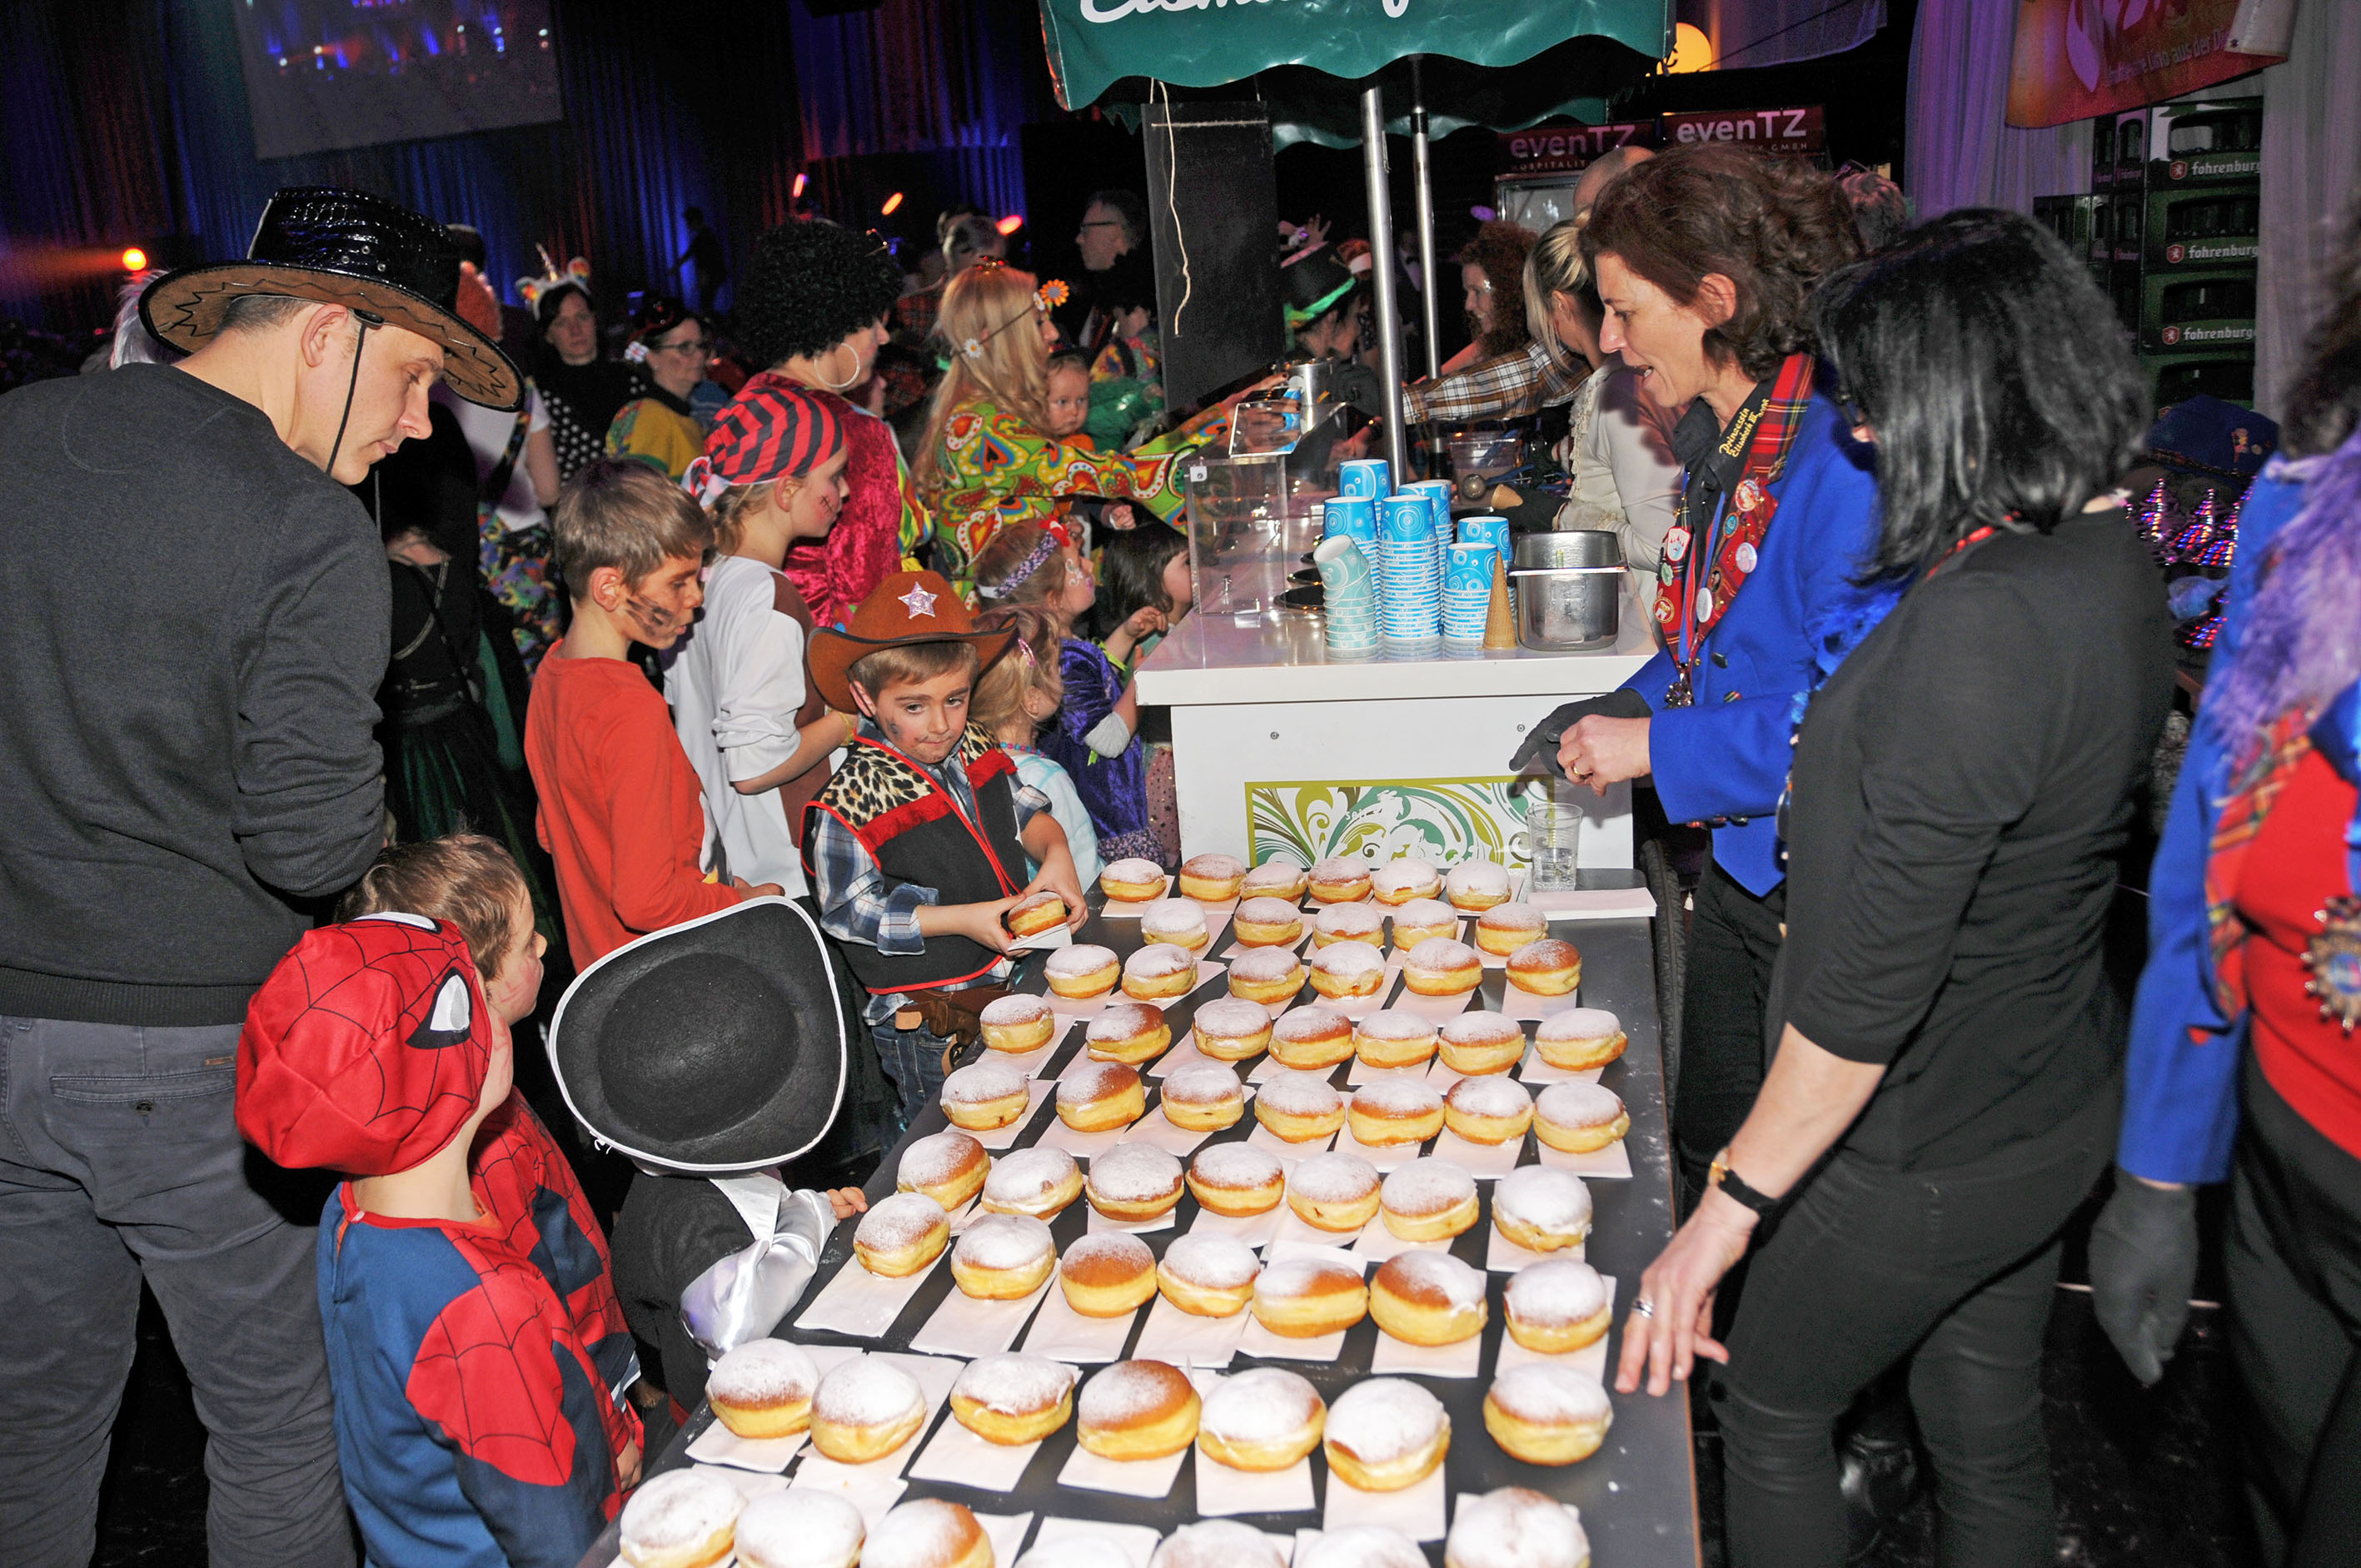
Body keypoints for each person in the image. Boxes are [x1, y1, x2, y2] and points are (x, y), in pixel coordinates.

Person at [1615, 208, 2170, 1568]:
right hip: (2043, 1095)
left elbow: (1869, 986)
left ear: (1964, 393)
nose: (1856, 432)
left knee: (1773, 1410)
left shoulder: (1980, 623)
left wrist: (1723, 1215)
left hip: (1918, 1137)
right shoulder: (2104, 552)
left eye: (1873, 403)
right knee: (1985, 1434)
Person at [0, 185, 521, 1568]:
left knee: (31, 1428)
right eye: (413, 375)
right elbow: (308, 846)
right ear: (326, 334)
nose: (420, 424)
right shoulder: (302, 523)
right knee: (280, 1430)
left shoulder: (17, 433)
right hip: (190, 1058)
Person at [1517, 144, 1874, 1202]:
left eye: (1626, 310)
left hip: (1828, 894)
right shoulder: (1743, 434)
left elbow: (1851, 724)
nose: (1609, 341)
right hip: (1743, 871)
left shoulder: (1843, 459)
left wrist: (1653, 744)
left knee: (1785, 1190)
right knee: (1699, 1149)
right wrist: (1619, 703)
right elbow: (1711, 639)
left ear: (1716, 299)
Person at [2095, 206, 2361, 1566]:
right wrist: (2157, 1166)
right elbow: (2206, 848)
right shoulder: (2301, 516)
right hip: (2283, 1163)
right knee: (2277, 1487)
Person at [237, 913, 639, 1568]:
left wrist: (607, 1428)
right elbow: (559, 1540)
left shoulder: (349, 1212)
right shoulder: (483, 1304)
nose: (494, 1009)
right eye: (475, 995)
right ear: (448, 1058)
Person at [336, 834, 640, 1457]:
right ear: (472, 986)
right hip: (575, 1405)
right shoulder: (482, 1150)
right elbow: (538, 1315)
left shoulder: (454, 1090)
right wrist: (610, 1429)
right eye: (526, 944)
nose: (544, 946)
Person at [802, 570, 1089, 1137]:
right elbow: (848, 911)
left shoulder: (975, 744)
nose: (940, 725)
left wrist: (1056, 852)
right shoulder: (846, 803)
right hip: (932, 1021)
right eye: (914, 706)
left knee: (1029, 1120)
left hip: (1014, 980)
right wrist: (963, 920)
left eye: (955, 700)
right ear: (864, 697)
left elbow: (1026, 813)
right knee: (952, 1139)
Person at [555, 900, 868, 1418]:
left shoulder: (700, 1173)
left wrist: (791, 1220)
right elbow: (734, 1324)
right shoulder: (686, 1216)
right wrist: (806, 1215)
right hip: (732, 1411)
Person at [527, 460, 775, 969]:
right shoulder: (628, 708)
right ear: (610, 589)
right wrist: (741, 901)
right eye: (678, 582)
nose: (696, 597)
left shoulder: (553, 675)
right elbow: (646, 901)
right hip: (666, 971)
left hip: (604, 965)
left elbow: (552, 832)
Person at [665, 382, 861, 897]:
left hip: (731, 856)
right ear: (787, 490)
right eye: (833, 476)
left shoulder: (701, 579)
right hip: (786, 865)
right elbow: (754, 767)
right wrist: (849, 720)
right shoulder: (766, 594)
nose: (844, 492)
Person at [914, 261, 1203, 590]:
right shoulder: (979, 428)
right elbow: (1103, 473)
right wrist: (1214, 425)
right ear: (991, 340)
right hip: (1006, 617)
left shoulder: (987, 416)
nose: (1052, 333)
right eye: (1039, 322)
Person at [735, 218, 930, 628]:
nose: (883, 337)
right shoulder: (855, 432)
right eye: (872, 322)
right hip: (824, 653)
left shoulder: (741, 409)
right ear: (832, 324)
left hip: (744, 633)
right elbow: (871, 591)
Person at [974, 522, 1164, 865]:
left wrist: (1125, 635)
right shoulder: (1065, 660)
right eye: (1076, 564)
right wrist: (1142, 681)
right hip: (1110, 818)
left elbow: (1093, 680)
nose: (1090, 565)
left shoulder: (1058, 652)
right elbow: (1108, 740)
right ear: (1052, 597)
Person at [1532, 219, 1685, 590]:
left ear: (1559, 304)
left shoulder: (1618, 391)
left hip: (1646, 612)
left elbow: (1661, 544)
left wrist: (1565, 518)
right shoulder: (1622, 380)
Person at [967, 604, 1105, 888]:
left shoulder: (962, 765)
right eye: (1056, 667)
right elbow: (1085, 876)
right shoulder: (1047, 779)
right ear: (1032, 699)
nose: (1062, 673)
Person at [1089, 522, 1195, 864]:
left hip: (1173, 759)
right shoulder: (1152, 643)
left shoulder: (1181, 627)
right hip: (1161, 768)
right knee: (1168, 860)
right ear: (1152, 579)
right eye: (1187, 562)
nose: (1197, 568)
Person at [531, 276, 645, 480]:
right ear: (548, 334)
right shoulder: (540, 396)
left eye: (582, 317)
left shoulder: (631, 378)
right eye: (562, 323)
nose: (575, 330)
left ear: (595, 320)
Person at [605, 296, 710, 480]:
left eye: (701, 346)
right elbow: (642, 493)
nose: (700, 355)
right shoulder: (651, 416)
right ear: (652, 357)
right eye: (685, 347)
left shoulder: (680, 418)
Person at [1439, 220, 1537, 376]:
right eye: (1467, 293)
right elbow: (1436, 380)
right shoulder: (1495, 339)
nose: (1468, 305)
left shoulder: (1539, 349)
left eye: (1477, 291)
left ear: (1508, 290)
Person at [1074, 188, 1149, 359]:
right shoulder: (1103, 294)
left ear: (1114, 232)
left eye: (1086, 230)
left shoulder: (1143, 300)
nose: (1079, 239)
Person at [675, 206, 728, 315]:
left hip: (712, 275)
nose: (688, 225)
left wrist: (704, 276)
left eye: (689, 222)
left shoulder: (705, 236)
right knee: (706, 303)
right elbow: (690, 252)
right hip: (712, 275)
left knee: (706, 305)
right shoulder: (702, 236)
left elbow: (707, 258)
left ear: (694, 221)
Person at [1044, 348, 1093, 441]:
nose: (1075, 411)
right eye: (1062, 402)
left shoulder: (1083, 442)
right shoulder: (1026, 443)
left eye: (1081, 400)